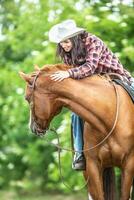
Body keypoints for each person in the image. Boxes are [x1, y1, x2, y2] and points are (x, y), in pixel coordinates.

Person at [48, 19, 134, 171]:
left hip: (113, 76)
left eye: (67, 42)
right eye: (61, 43)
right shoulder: (66, 52)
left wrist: (68, 73)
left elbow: (90, 67)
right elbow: (77, 75)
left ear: (74, 37)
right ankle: (80, 153)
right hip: (90, 85)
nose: (64, 45)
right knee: (76, 115)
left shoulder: (93, 42)